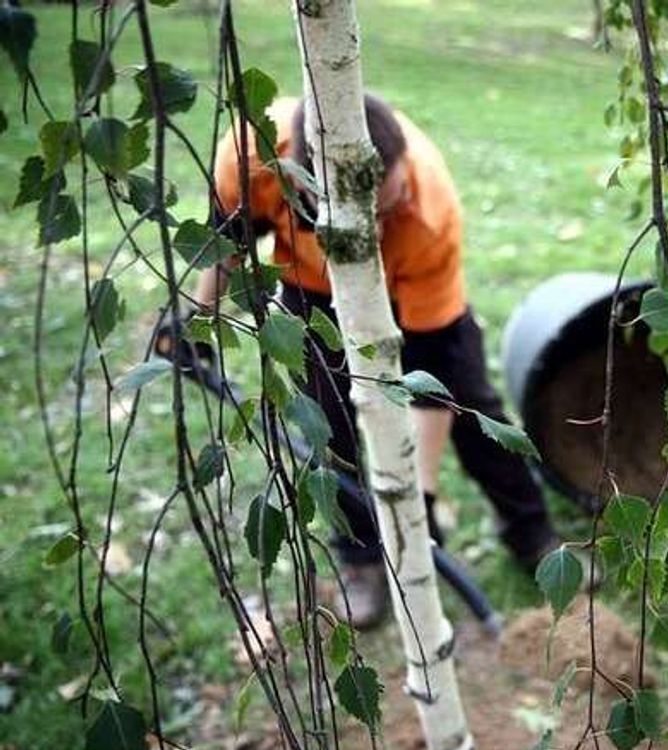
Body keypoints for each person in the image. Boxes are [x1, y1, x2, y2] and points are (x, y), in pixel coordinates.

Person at [170, 94, 557, 628]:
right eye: (366, 215)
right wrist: (197, 321)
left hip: (412, 293)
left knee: (473, 409)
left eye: (389, 200)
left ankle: (532, 534)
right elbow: (229, 243)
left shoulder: (426, 211)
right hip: (314, 293)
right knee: (328, 422)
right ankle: (361, 563)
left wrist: (416, 497)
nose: (380, 222)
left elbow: (433, 379)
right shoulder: (252, 155)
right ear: (307, 189)